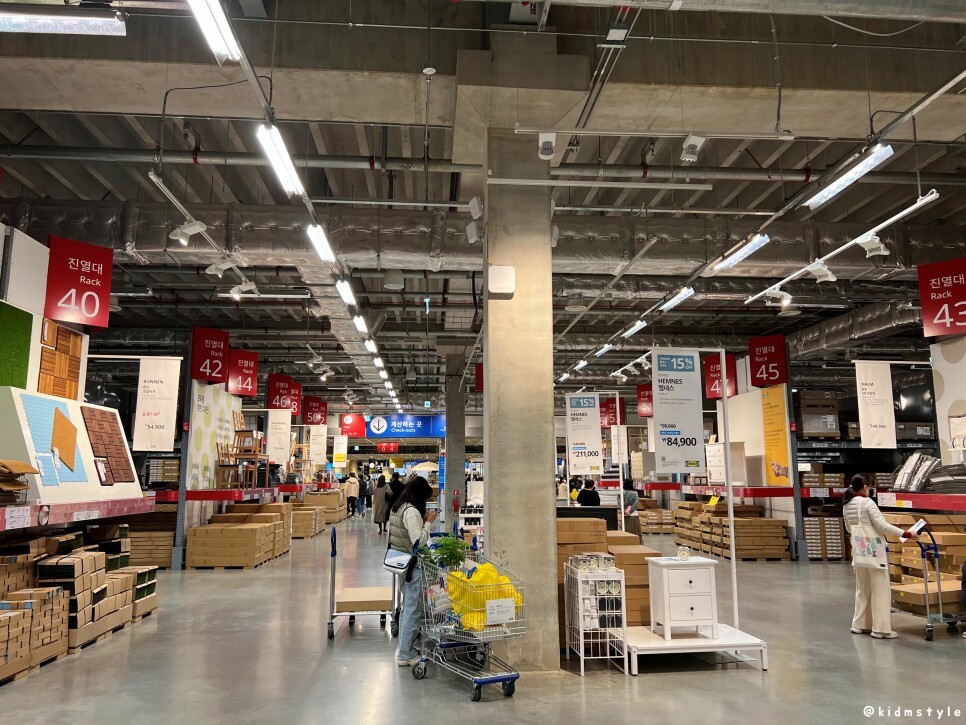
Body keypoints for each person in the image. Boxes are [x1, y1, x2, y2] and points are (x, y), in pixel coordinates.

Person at [843, 474, 918, 639]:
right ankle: (881, 629)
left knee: (863, 589)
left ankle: (859, 624)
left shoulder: (847, 504)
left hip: (859, 551)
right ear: (865, 487)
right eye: (870, 487)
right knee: (880, 590)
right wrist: (907, 534)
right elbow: (882, 525)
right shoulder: (867, 503)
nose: (871, 490)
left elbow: (849, 528)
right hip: (875, 552)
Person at [388, 476, 437, 666]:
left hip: (400, 561)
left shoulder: (399, 506)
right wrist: (428, 523)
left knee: (407, 606)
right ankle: (405, 654)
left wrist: (421, 521)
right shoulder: (412, 512)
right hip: (411, 565)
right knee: (413, 608)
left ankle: (405, 648)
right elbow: (418, 541)